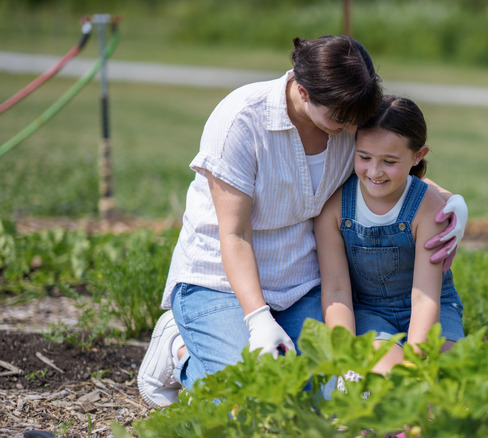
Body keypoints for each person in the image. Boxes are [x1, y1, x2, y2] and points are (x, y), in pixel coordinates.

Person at [137, 35, 468, 408]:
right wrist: (258, 320)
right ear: (304, 90)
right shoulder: (241, 121)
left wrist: (451, 203)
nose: (349, 128)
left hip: (298, 284)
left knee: (333, 399)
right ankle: (179, 350)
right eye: (342, 119)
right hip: (220, 284)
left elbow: (391, 167)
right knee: (254, 403)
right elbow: (235, 233)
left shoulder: (343, 120)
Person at [314, 95, 464, 375]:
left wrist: (416, 365)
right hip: (370, 312)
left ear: (418, 155)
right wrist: (346, 358)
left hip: (435, 307)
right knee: (390, 384)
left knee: (449, 385)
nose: (374, 171)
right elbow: (336, 291)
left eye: (389, 161)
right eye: (364, 157)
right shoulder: (334, 208)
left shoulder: (429, 209)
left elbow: (425, 298)